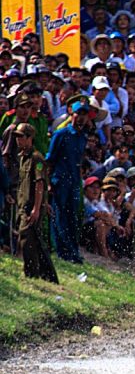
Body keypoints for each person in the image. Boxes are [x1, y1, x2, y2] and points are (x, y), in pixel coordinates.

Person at [46, 100, 93, 263]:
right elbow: (49, 159)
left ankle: (73, 251)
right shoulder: (61, 134)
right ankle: (62, 251)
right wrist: (48, 182)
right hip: (60, 179)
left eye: (84, 114)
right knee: (59, 216)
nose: (81, 118)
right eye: (78, 113)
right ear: (71, 114)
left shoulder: (83, 137)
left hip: (74, 181)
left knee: (73, 216)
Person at [13, 123, 58, 283]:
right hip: (22, 205)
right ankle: (48, 276)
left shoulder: (36, 158)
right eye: (17, 137)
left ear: (30, 138)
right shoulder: (22, 157)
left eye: (21, 137)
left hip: (31, 206)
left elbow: (40, 183)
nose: (18, 140)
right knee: (36, 241)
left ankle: (32, 273)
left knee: (27, 239)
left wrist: (37, 208)